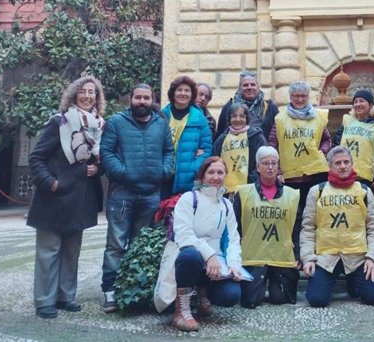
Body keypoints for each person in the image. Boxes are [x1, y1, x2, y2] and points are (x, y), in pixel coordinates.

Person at [27, 76, 105, 319]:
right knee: (49, 251)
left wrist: (98, 169)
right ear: (73, 95)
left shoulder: (99, 126)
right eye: (82, 91)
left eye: (92, 92)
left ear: (97, 98)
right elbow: (36, 157)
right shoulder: (59, 123)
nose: (87, 96)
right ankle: (44, 300)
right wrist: (51, 183)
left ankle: (65, 296)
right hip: (54, 197)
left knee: (72, 251)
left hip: (80, 199)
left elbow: (99, 159)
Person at [100, 83, 175, 313]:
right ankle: (110, 290)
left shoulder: (161, 124)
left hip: (151, 193)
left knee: (139, 242)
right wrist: (123, 173)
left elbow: (169, 152)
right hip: (122, 192)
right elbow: (106, 153)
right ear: (130, 99)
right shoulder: (116, 123)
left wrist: (163, 172)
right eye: (138, 98)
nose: (142, 102)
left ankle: (132, 289)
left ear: (152, 100)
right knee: (116, 244)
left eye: (146, 98)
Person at [300, 146, 374, 307]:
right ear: (330, 167)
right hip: (327, 257)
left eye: (346, 162)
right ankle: (347, 282)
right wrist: (308, 258)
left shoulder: (364, 191)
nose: (343, 166)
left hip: (358, 256)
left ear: (352, 164)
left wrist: (373, 258)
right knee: (316, 300)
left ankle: (354, 281)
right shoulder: (317, 191)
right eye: (338, 163)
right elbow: (308, 228)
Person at [170, 157, 242, 331]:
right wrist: (209, 255)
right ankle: (182, 310)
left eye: (220, 172)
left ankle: (203, 293)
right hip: (191, 257)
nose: (215, 177)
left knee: (231, 296)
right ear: (201, 177)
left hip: (216, 263)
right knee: (190, 255)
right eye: (211, 172)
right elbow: (184, 234)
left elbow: (233, 238)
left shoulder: (226, 205)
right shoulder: (189, 199)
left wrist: (234, 264)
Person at [233, 147, 301, 309]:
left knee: (281, 298)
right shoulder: (244, 193)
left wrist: (297, 252)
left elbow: (297, 226)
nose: (270, 167)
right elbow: (235, 224)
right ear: (257, 167)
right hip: (254, 255)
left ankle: (272, 284)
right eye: (265, 163)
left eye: (273, 163)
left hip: (281, 256)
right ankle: (261, 284)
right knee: (251, 301)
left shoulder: (291, 195)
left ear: (278, 166)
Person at [268, 81, 330, 212]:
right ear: (290, 97)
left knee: (313, 213)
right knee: (292, 214)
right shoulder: (280, 119)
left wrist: (322, 153)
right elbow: (272, 145)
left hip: (314, 174)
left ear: (308, 97)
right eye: (296, 96)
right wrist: (277, 170)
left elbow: (327, 140)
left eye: (303, 96)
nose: (300, 99)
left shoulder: (318, 117)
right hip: (289, 177)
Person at [162, 76, 213, 195]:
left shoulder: (200, 119)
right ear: (173, 93)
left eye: (187, 90)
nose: (183, 93)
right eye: (179, 90)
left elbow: (206, 150)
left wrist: (193, 169)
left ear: (192, 95)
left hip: (187, 180)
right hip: (163, 177)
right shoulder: (161, 116)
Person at [333, 89, 374, 185]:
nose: (357, 104)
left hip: (364, 178)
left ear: (370, 105)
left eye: (361, 101)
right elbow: (335, 146)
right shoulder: (347, 122)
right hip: (342, 174)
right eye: (355, 102)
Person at [213, 103, 267, 195]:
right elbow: (214, 160)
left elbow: (264, 159)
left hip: (250, 188)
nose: (238, 119)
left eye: (242, 116)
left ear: (247, 119)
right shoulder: (221, 139)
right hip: (224, 191)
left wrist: (251, 179)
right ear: (229, 119)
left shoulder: (256, 137)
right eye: (234, 116)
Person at [216, 70, 279, 140]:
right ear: (240, 88)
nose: (249, 87)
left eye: (253, 84)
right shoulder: (229, 107)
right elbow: (220, 134)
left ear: (258, 87)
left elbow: (277, 135)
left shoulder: (270, 108)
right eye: (245, 85)